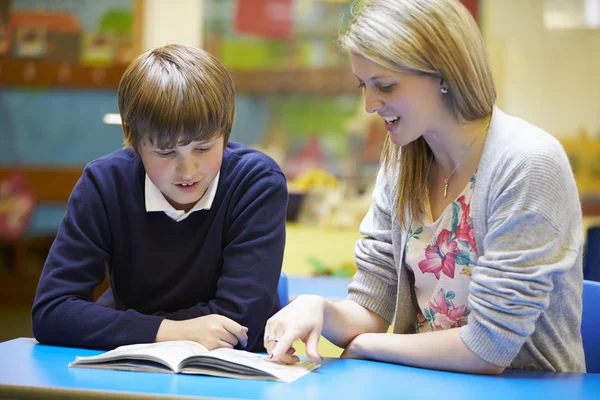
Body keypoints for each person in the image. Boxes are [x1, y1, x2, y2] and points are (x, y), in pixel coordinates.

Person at [265, 0, 585, 373]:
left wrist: (370, 345)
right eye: (363, 85)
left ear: (444, 75)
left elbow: (489, 347)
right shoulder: (403, 161)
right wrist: (319, 308)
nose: (369, 104)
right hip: (419, 383)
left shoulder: (528, 163)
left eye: (385, 85)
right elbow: (373, 305)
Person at [31, 44, 288, 352]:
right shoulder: (104, 184)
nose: (188, 170)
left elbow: (240, 321)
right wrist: (170, 331)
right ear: (135, 144)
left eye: (204, 148)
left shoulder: (256, 183)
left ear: (225, 134)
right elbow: (52, 311)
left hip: (236, 370)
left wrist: (119, 325)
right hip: (137, 366)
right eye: (166, 153)